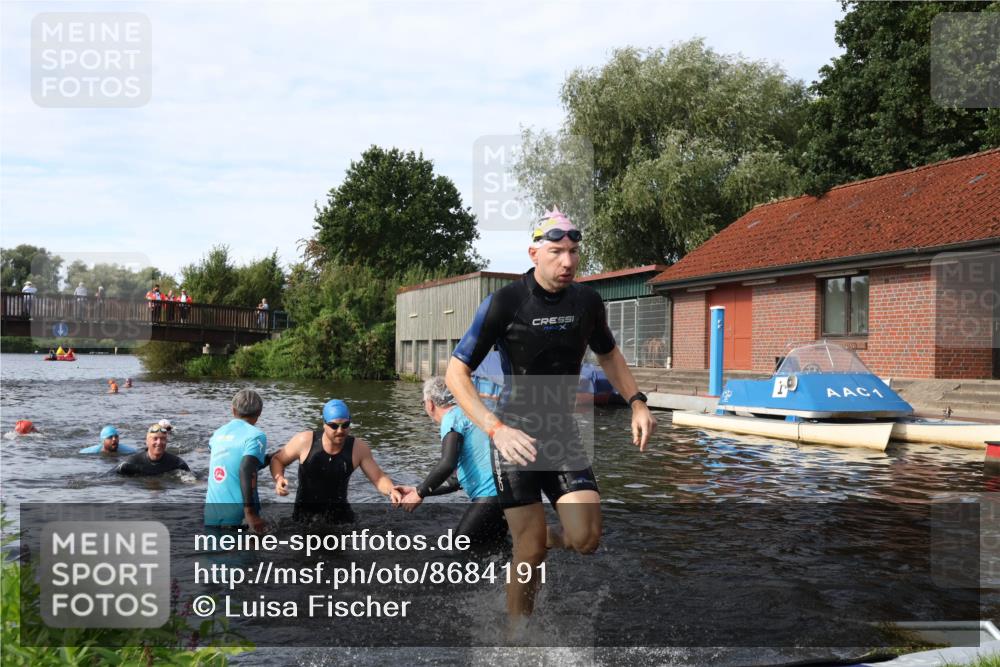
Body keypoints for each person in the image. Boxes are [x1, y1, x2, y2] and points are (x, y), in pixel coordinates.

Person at [445, 207, 656, 632]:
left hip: (560, 432)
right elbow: (455, 373)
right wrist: (494, 428)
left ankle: (533, 540)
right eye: (558, 251)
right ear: (534, 253)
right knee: (531, 550)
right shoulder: (505, 302)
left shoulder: (587, 302)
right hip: (514, 433)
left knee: (586, 539)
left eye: (574, 252)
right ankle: (516, 637)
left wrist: (636, 401)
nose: (568, 262)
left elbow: (609, 354)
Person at [397, 377, 508, 549]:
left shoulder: (451, 418)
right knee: (495, 549)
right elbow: (456, 481)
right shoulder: (468, 414)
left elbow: (447, 463)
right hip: (505, 493)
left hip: (490, 495)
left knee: (458, 548)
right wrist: (420, 489)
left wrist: (419, 493)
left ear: (430, 403)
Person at [269, 399, 403, 523]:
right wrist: (279, 478)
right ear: (324, 424)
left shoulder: (358, 448)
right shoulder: (305, 441)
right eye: (334, 426)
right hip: (304, 517)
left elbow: (378, 477)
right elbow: (278, 459)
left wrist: (392, 490)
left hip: (341, 518)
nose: (340, 430)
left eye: (345, 425)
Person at [205, 389, 268, 532]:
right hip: (239, 517)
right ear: (259, 413)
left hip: (212, 514)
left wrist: (268, 459)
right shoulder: (256, 435)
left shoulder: (217, 434)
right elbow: (245, 468)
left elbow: (231, 462)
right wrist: (249, 512)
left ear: (233, 410)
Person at [114, 423, 190, 476]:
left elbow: (194, 479)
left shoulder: (178, 463)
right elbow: (108, 479)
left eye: (163, 439)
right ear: (147, 441)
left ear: (166, 441)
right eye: (155, 439)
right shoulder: (130, 463)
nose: (159, 442)